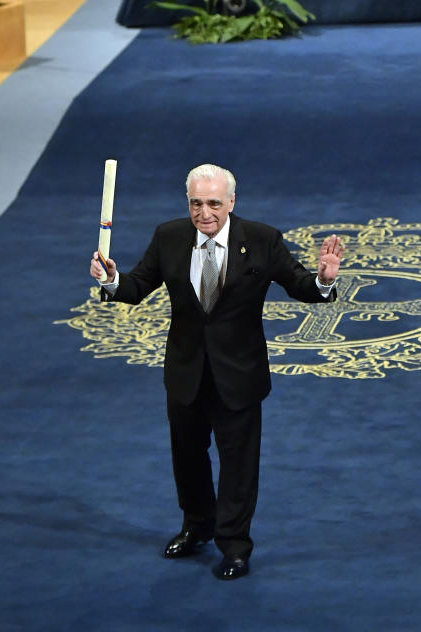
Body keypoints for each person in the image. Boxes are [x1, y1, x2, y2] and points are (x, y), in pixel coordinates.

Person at [89, 164, 343, 582]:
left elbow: (299, 284)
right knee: (187, 459)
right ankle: (196, 526)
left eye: (213, 203)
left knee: (238, 465)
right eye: (195, 203)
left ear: (231, 203)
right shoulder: (169, 236)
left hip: (238, 376)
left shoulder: (262, 239)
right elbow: (136, 287)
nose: (203, 213)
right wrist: (113, 279)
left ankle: (235, 546)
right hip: (186, 372)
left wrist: (322, 279)